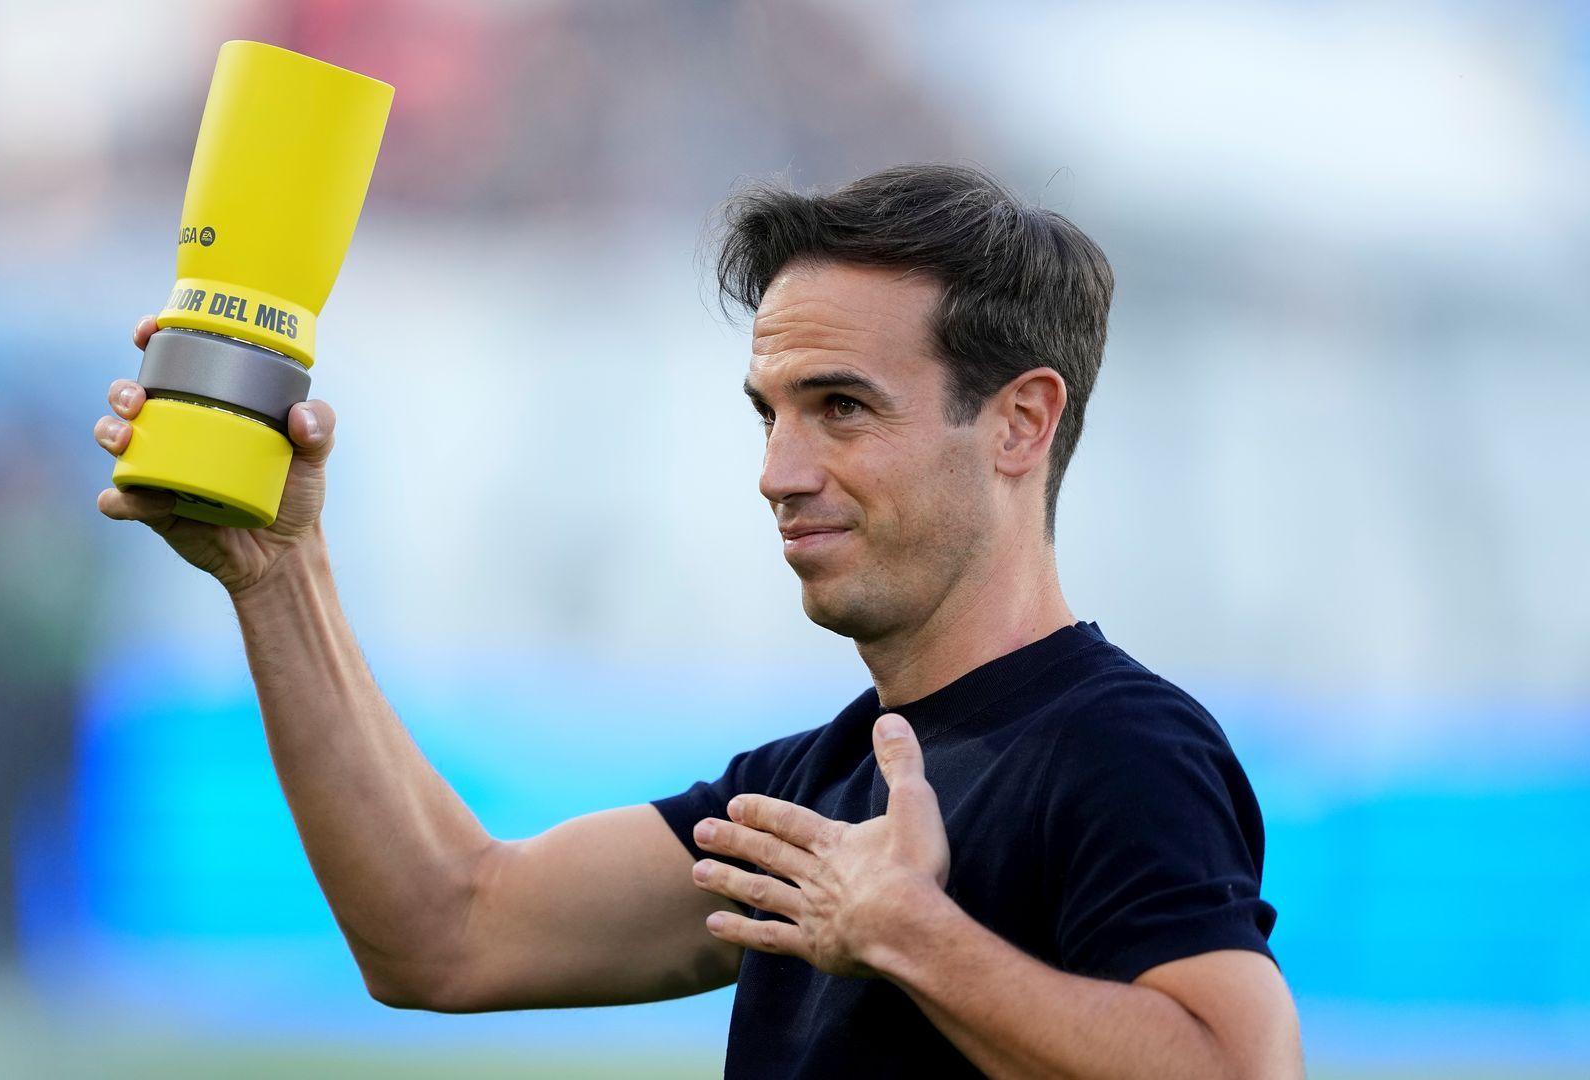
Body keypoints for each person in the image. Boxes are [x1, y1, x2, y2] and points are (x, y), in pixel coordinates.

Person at [93, 164, 1303, 1078]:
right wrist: (276, 571)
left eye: (840, 407)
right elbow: (446, 931)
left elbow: (1239, 1065)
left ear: (1020, 424)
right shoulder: (819, 784)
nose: (779, 471)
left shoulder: (1117, 746)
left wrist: (908, 934)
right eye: (768, 412)